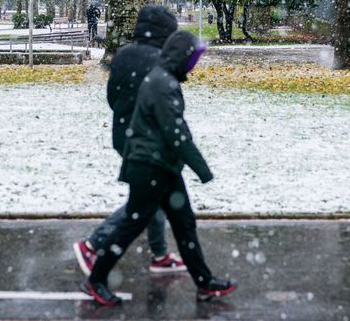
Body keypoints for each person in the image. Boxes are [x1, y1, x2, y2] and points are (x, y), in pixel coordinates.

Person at [80, 30, 237, 305]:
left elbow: (174, 132)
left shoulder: (164, 79)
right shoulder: (162, 83)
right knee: (131, 225)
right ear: (180, 57)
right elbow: (176, 133)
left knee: (184, 224)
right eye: (192, 59)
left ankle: (204, 283)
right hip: (149, 167)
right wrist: (203, 170)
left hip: (162, 166)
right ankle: (96, 280)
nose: (194, 65)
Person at [72, 5, 186, 277]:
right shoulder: (162, 60)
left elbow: (112, 96)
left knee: (152, 192)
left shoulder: (123, 54)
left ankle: (159, 254)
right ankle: (93, 245)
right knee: (146, 198)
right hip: (149, 140)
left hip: (124, 134)